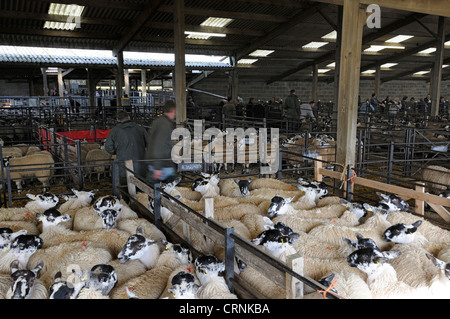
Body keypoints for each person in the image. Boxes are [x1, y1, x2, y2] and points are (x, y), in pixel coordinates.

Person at [105, 110, 150, 200]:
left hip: (123, 167)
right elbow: (149, 143)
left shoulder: (114, 131)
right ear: (129, 117)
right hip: (140, 166)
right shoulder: (140, 128)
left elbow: (108, 148)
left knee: (125, 190)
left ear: (118, 120)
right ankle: (142, 210)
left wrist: (118, 151)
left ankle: (127, 206)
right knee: (141, 192)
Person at [146, 100, 177, 184]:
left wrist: (173, 154)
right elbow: (159, 146)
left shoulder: (158, 121)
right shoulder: (165, 125)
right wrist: (158, 168)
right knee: (172, 190)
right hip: (163, 166)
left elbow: (161, 143)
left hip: (157, 163)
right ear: (173, 111)